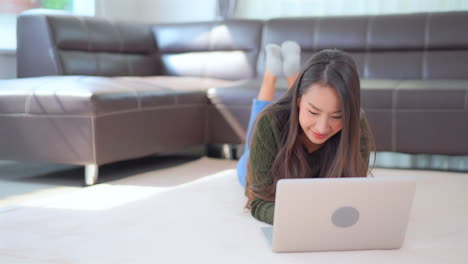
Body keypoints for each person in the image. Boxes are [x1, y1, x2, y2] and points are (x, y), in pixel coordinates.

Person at [236, 41, 375, 225]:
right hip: (260, 153)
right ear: (299, 99)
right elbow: (259, 201)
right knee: (255, 134)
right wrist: (306, 219)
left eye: (337, 116)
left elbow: (351, 195)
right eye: (313, 112)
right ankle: (270, 75)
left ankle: (291, 74)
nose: (322, 128)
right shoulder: (269, 123)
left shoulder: (356, 124)